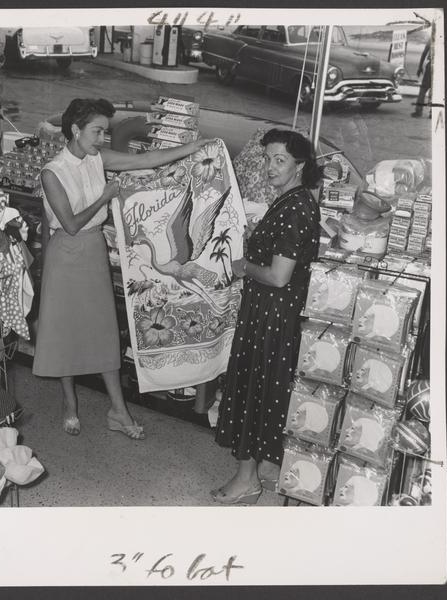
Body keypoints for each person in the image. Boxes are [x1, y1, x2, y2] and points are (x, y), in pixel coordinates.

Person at [33, 98, 209, 439]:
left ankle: (118, 410)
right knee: (66, 331)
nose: (102, 138)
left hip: (93, 250)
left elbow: (145, 160)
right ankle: (69, 402)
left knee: (103, 330)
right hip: (65, 254)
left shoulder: (97, 158)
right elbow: (70, 224)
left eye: (105, 131)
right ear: (75, 130)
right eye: (97, 131)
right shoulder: (52, 172)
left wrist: (192, 148)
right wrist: (104, 196)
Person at [212, 129, 322, 503]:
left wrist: (243, 266)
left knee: (253, 390)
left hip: (271, 313)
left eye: (280, 160)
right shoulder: (294, 200)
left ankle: (247, 479)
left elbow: (278, 276)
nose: (270, 167)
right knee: (268, 391)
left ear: (299, 165)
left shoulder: (294, 207)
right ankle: (266, 468)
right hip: (276, 312)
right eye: (267, 158)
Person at [411, 41, 431, 118]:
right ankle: (433, 113)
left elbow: (424, 53)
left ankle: (418, 111)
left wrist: (420, 67)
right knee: (436, 90)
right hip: (441, 66)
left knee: (423, 89)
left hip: (431, 66)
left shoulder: (431, 39)